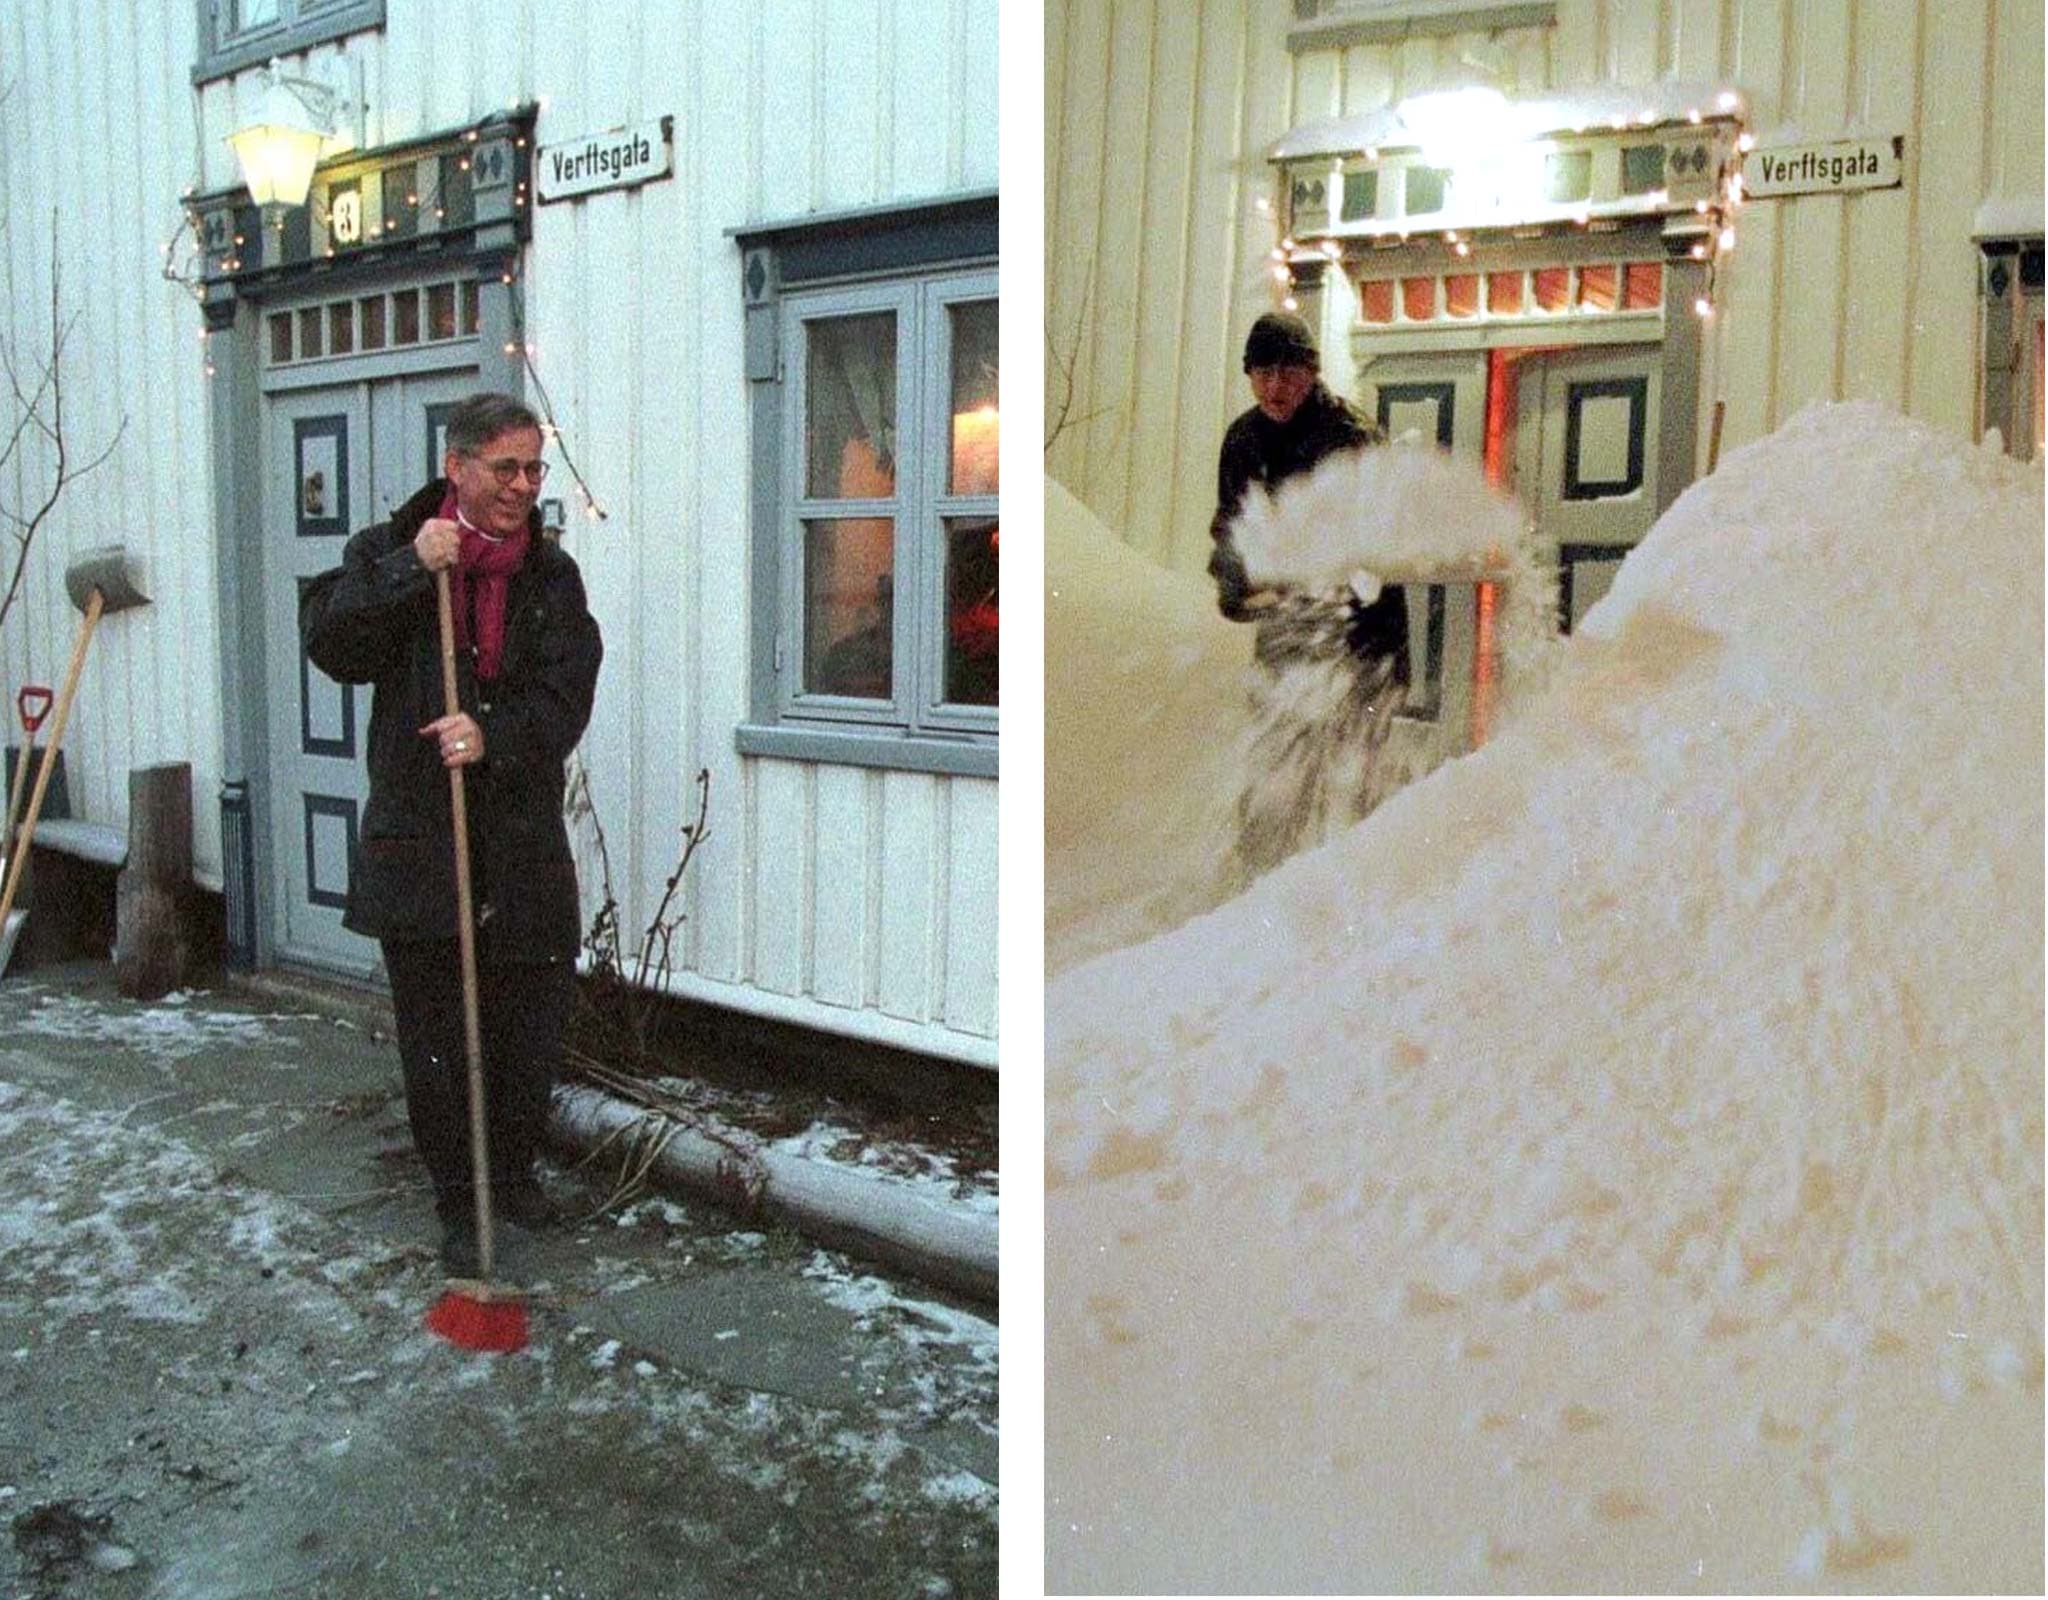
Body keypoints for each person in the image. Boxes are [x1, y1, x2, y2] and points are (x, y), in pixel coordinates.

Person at [302, 392, 603, 1275]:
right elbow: (332, 643)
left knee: (526, 1028)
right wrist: (408, 569)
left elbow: (568, 692)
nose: (523, 486)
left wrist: (492, 734)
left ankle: (510, 1177)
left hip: (520, 845)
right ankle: (459, 1200)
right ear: (457, 467)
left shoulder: (551, 577)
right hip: (422, 843)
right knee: (439, 1040)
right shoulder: (390, 550)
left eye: (534, 468)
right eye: (505, 468)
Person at [1207, 313, 1411, 873]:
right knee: (1277, 759)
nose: (1274, 386)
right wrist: (1232, 579)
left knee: (1354, 765)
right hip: (1289, 628)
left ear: (1311, 373)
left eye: (1287, 373)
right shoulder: (1243, 440)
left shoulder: (1349, 436)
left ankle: (1356, 882)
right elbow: (1232, 526)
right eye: (1262, 373)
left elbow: (1383, 532)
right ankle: (1263, 880)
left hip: (1365, 634)